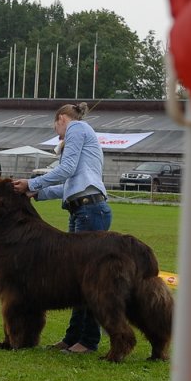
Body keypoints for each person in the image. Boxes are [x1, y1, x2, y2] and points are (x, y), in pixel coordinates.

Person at [12, 102, 112, 354]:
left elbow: (65, 170)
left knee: (88, 279)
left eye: (56, 128)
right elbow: (68, 184)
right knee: (77, 279)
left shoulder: (76, 128)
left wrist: (31, 182)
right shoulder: (84, 136)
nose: (58, 134)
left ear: (61, 119)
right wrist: (36, 191)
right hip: (82, 209)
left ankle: (88, 340)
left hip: (89, 210)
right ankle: (73, 337)